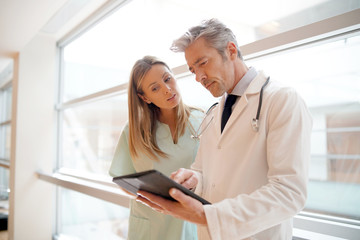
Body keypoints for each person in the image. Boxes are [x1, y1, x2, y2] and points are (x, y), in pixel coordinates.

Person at [136, 19, 313, 239]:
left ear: (230, 50)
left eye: (203, 63)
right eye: (193, 70)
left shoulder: (282, 100)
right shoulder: (212, 113)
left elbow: (289, 193)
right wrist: (193, 180)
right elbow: (204, 171)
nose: (199, 77)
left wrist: (207, 216)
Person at [109, 56, 203, 240]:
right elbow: (123, 179)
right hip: (152, 223)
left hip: (190, 220)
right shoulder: (134, 131)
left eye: (167, 79)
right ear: (145, 97)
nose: (167, 89)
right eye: (155, 88)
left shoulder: (202, 120)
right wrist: (155, 199)